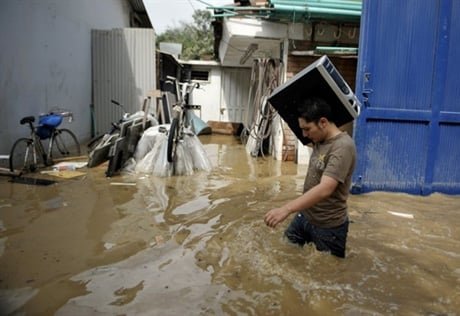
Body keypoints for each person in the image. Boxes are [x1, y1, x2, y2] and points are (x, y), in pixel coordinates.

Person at [264, 97, 356, 258]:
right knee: (284, 253)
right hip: (305, 216)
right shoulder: (320, 138)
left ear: (323, 122)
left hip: (328, 226)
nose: (304, 134)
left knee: (326, 275)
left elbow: (325, 189)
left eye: (307, 129)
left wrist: (286, 209)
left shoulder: (342, 146)